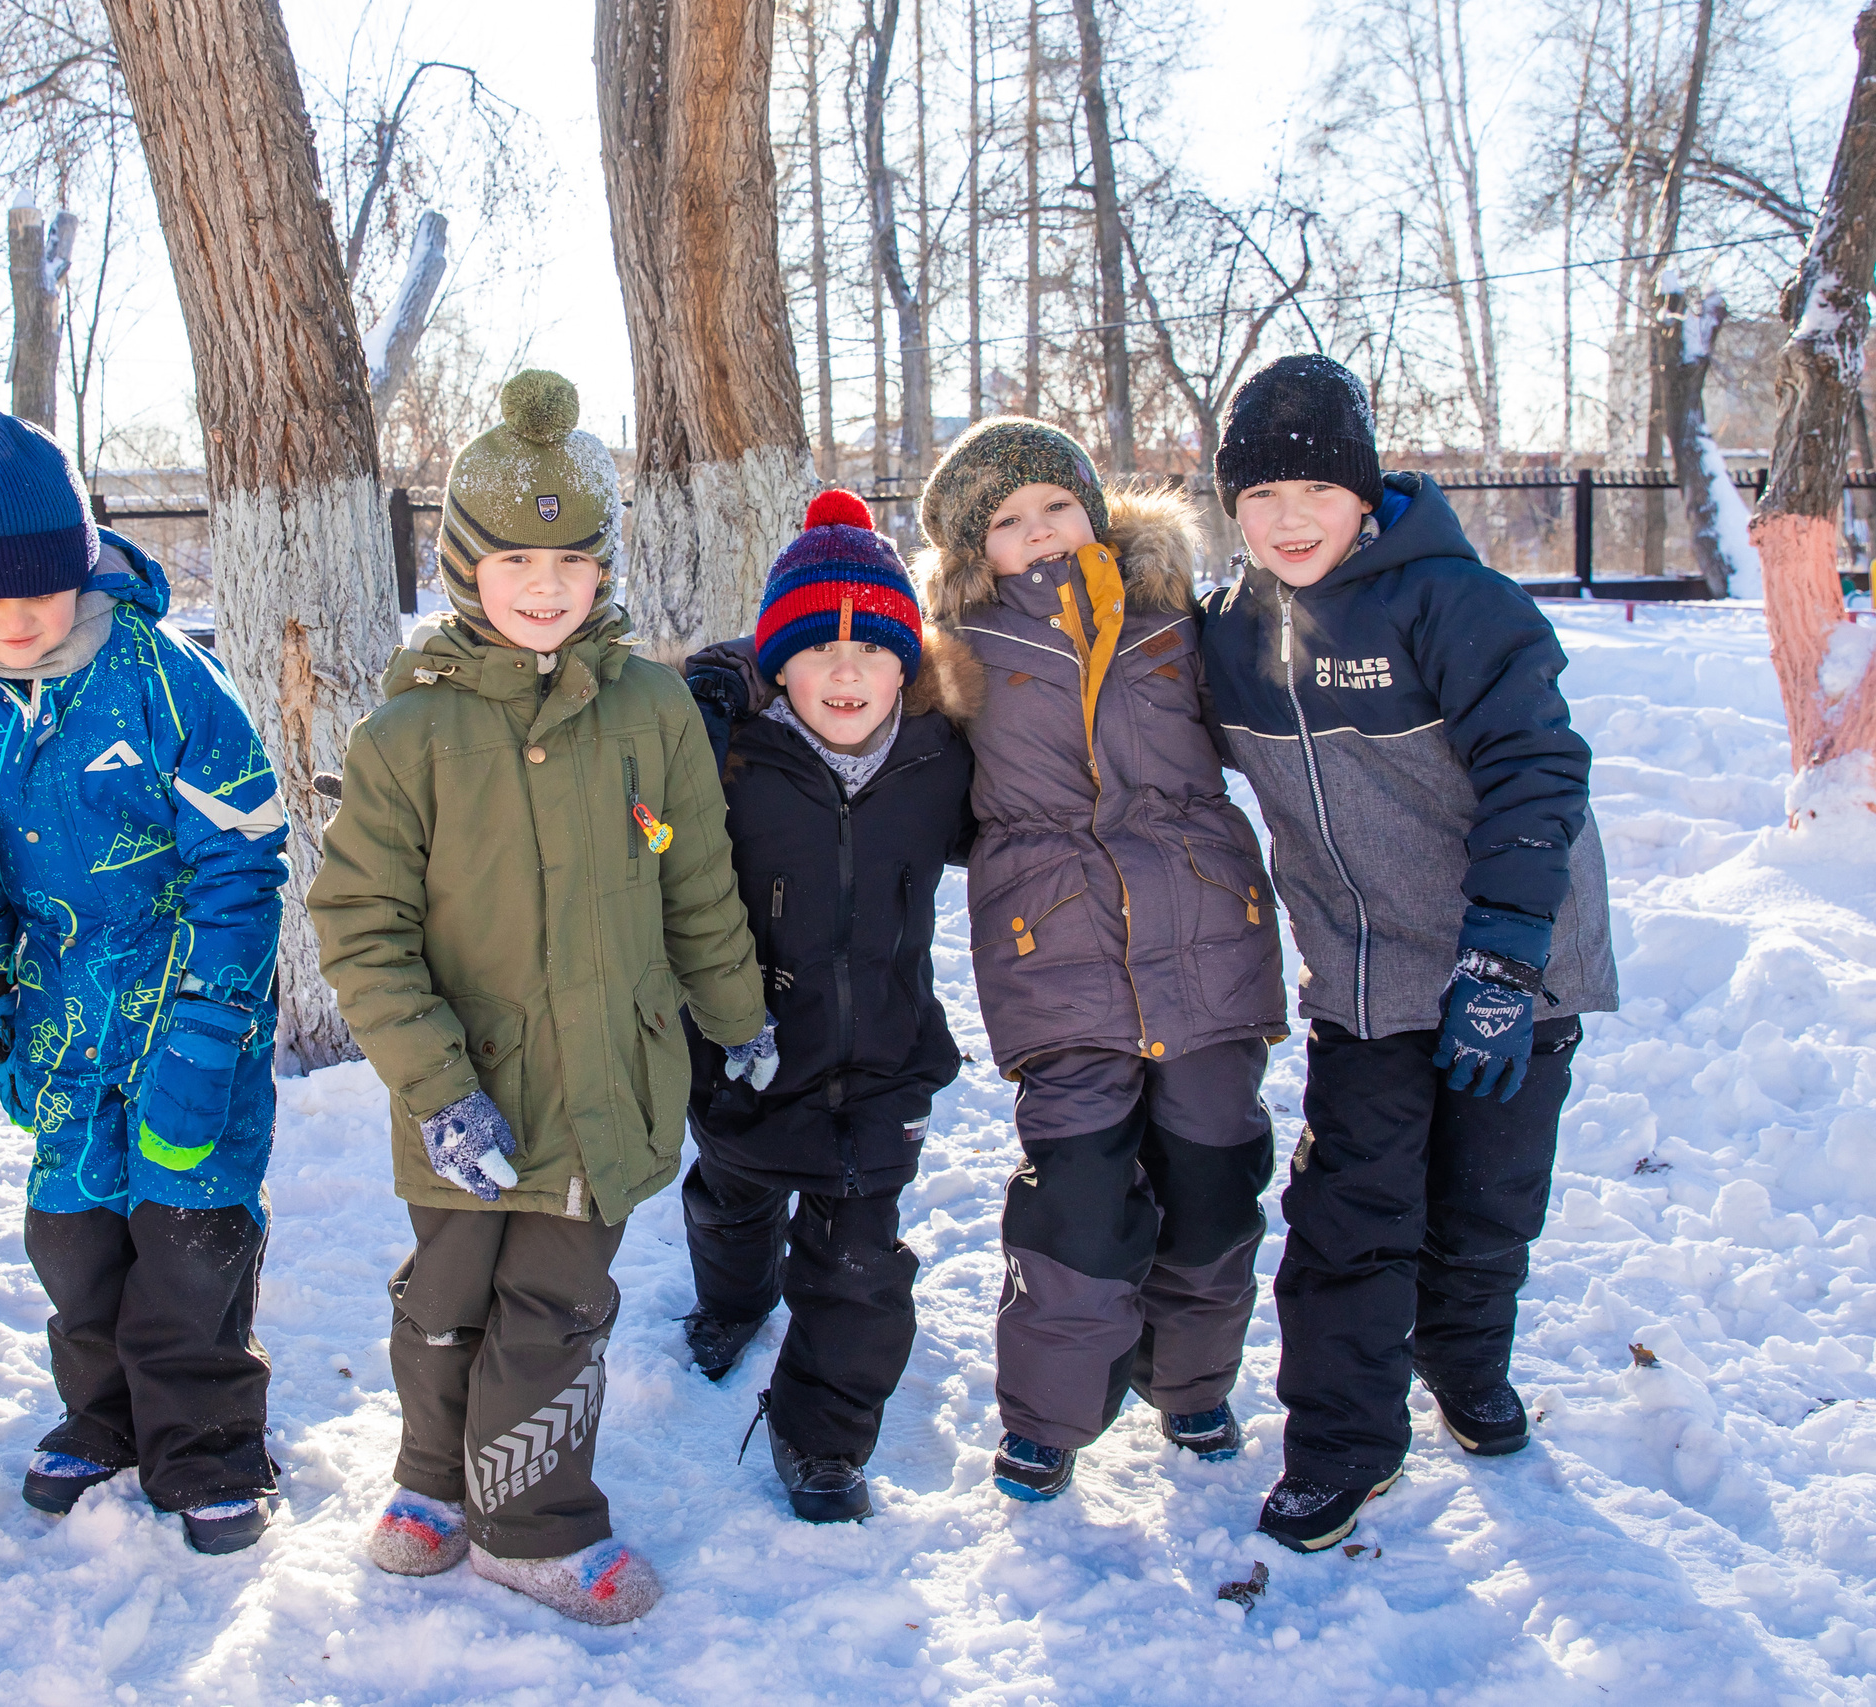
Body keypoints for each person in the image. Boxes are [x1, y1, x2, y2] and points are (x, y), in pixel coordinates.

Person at [307, 370, 764, 1624]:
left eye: (572, 559)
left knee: (554, 1308)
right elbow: (359, 923)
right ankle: (430, 1483)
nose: (547, 585)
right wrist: (437, 1088)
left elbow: (700, 885)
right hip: (463, 1086)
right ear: (464, 569)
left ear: (604, 568)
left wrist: (738, 1015)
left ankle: (531, 1522)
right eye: (516, 559)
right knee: (445, 1298)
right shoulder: (409, 738)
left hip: (603, 1082)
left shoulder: (654, 710)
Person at [1196, 354, 1618, 1553]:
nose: (1288, 519)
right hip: (1369, 978)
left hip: (1513, 962)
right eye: (1260, 495)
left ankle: (1466, 1365)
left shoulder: (1454, 606)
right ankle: (1343, 1445)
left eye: (1315, 493)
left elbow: (1537, 777)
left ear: (1364, 493)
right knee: (1350, 1210)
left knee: (1486, 1200)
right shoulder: (1230, 639)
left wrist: (1501, 969)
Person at [0, 409, 291, 1556]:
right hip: (61, 1023)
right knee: (72, 1238)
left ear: (80, 568)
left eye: (39, 586)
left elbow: (246, 855)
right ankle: (104, 1416)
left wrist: (213, 1025)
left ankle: (211, 1445)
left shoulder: (163, 679)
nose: (16, 618)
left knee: (188, 1232)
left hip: (184, 1014)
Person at [914, 419, 1290, 1504]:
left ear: (1095, 509)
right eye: (1005, 523)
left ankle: (1192, 1382)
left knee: (1213, 1176)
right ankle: (1049, 1415)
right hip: (1057, 948)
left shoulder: (1173, 621)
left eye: (1055, 509)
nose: (1036, 534)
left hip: (1203, 935)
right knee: (1077, 1188)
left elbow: (1278, 719)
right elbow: (845, 702)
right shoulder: (958, 652)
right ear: (969, 552)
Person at [675, 489, 974, 1524]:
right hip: (746, 1058)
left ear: (910, 663)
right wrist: (692, 707)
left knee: (859, 1267)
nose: (845, 672)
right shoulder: (729, 757)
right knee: (730, 1200)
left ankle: (821, 1436)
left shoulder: (944, 765)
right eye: (816, 646)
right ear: (776, 663)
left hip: (883, 1061)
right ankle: (730, 1299)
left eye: (874, 648)